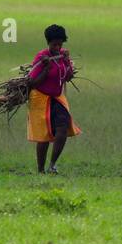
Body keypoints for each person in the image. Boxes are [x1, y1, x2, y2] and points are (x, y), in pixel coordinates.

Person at [26, 24, 81, 174]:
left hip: (57, 97)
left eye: (60, 43)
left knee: (62, 129)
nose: (57, 47)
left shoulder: (63, 56)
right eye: (54, 44)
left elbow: (68, 77)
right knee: (43, 137)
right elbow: (32, 82)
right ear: (48, 43)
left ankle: (52, 165)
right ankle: (40, 170)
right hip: (40, 98)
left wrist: (67, 61)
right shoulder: (41, 57)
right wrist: (46, 68)